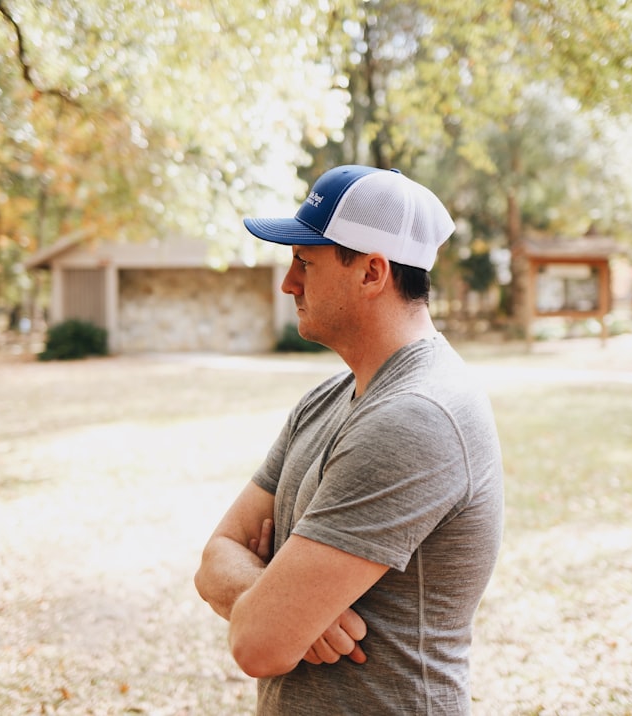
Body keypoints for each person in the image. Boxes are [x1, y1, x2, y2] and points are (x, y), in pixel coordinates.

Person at [194, 164, 504, 715]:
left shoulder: (416, 417)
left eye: (305, 263)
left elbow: (258, 643)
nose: (289, 282)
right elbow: (215, 557)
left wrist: (277, 612)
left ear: (371, 273)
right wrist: (277, 600)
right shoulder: (328, 399)